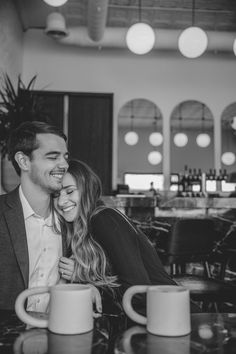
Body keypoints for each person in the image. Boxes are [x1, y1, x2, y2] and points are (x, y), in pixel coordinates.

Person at [53, 159, 176, 315]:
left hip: (169, 315)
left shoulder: (104, 218)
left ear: (87, 190)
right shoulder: (79, 228)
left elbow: (137, 292)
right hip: (150, 318)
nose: (62, 201)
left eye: (70, 191)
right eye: (56, 194)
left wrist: (83, 278)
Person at [0, 120, 69, 311]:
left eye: (65, 157)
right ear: (23, 161)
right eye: (53, 157)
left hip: (62, 331)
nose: (64, 165)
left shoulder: (72, 217)